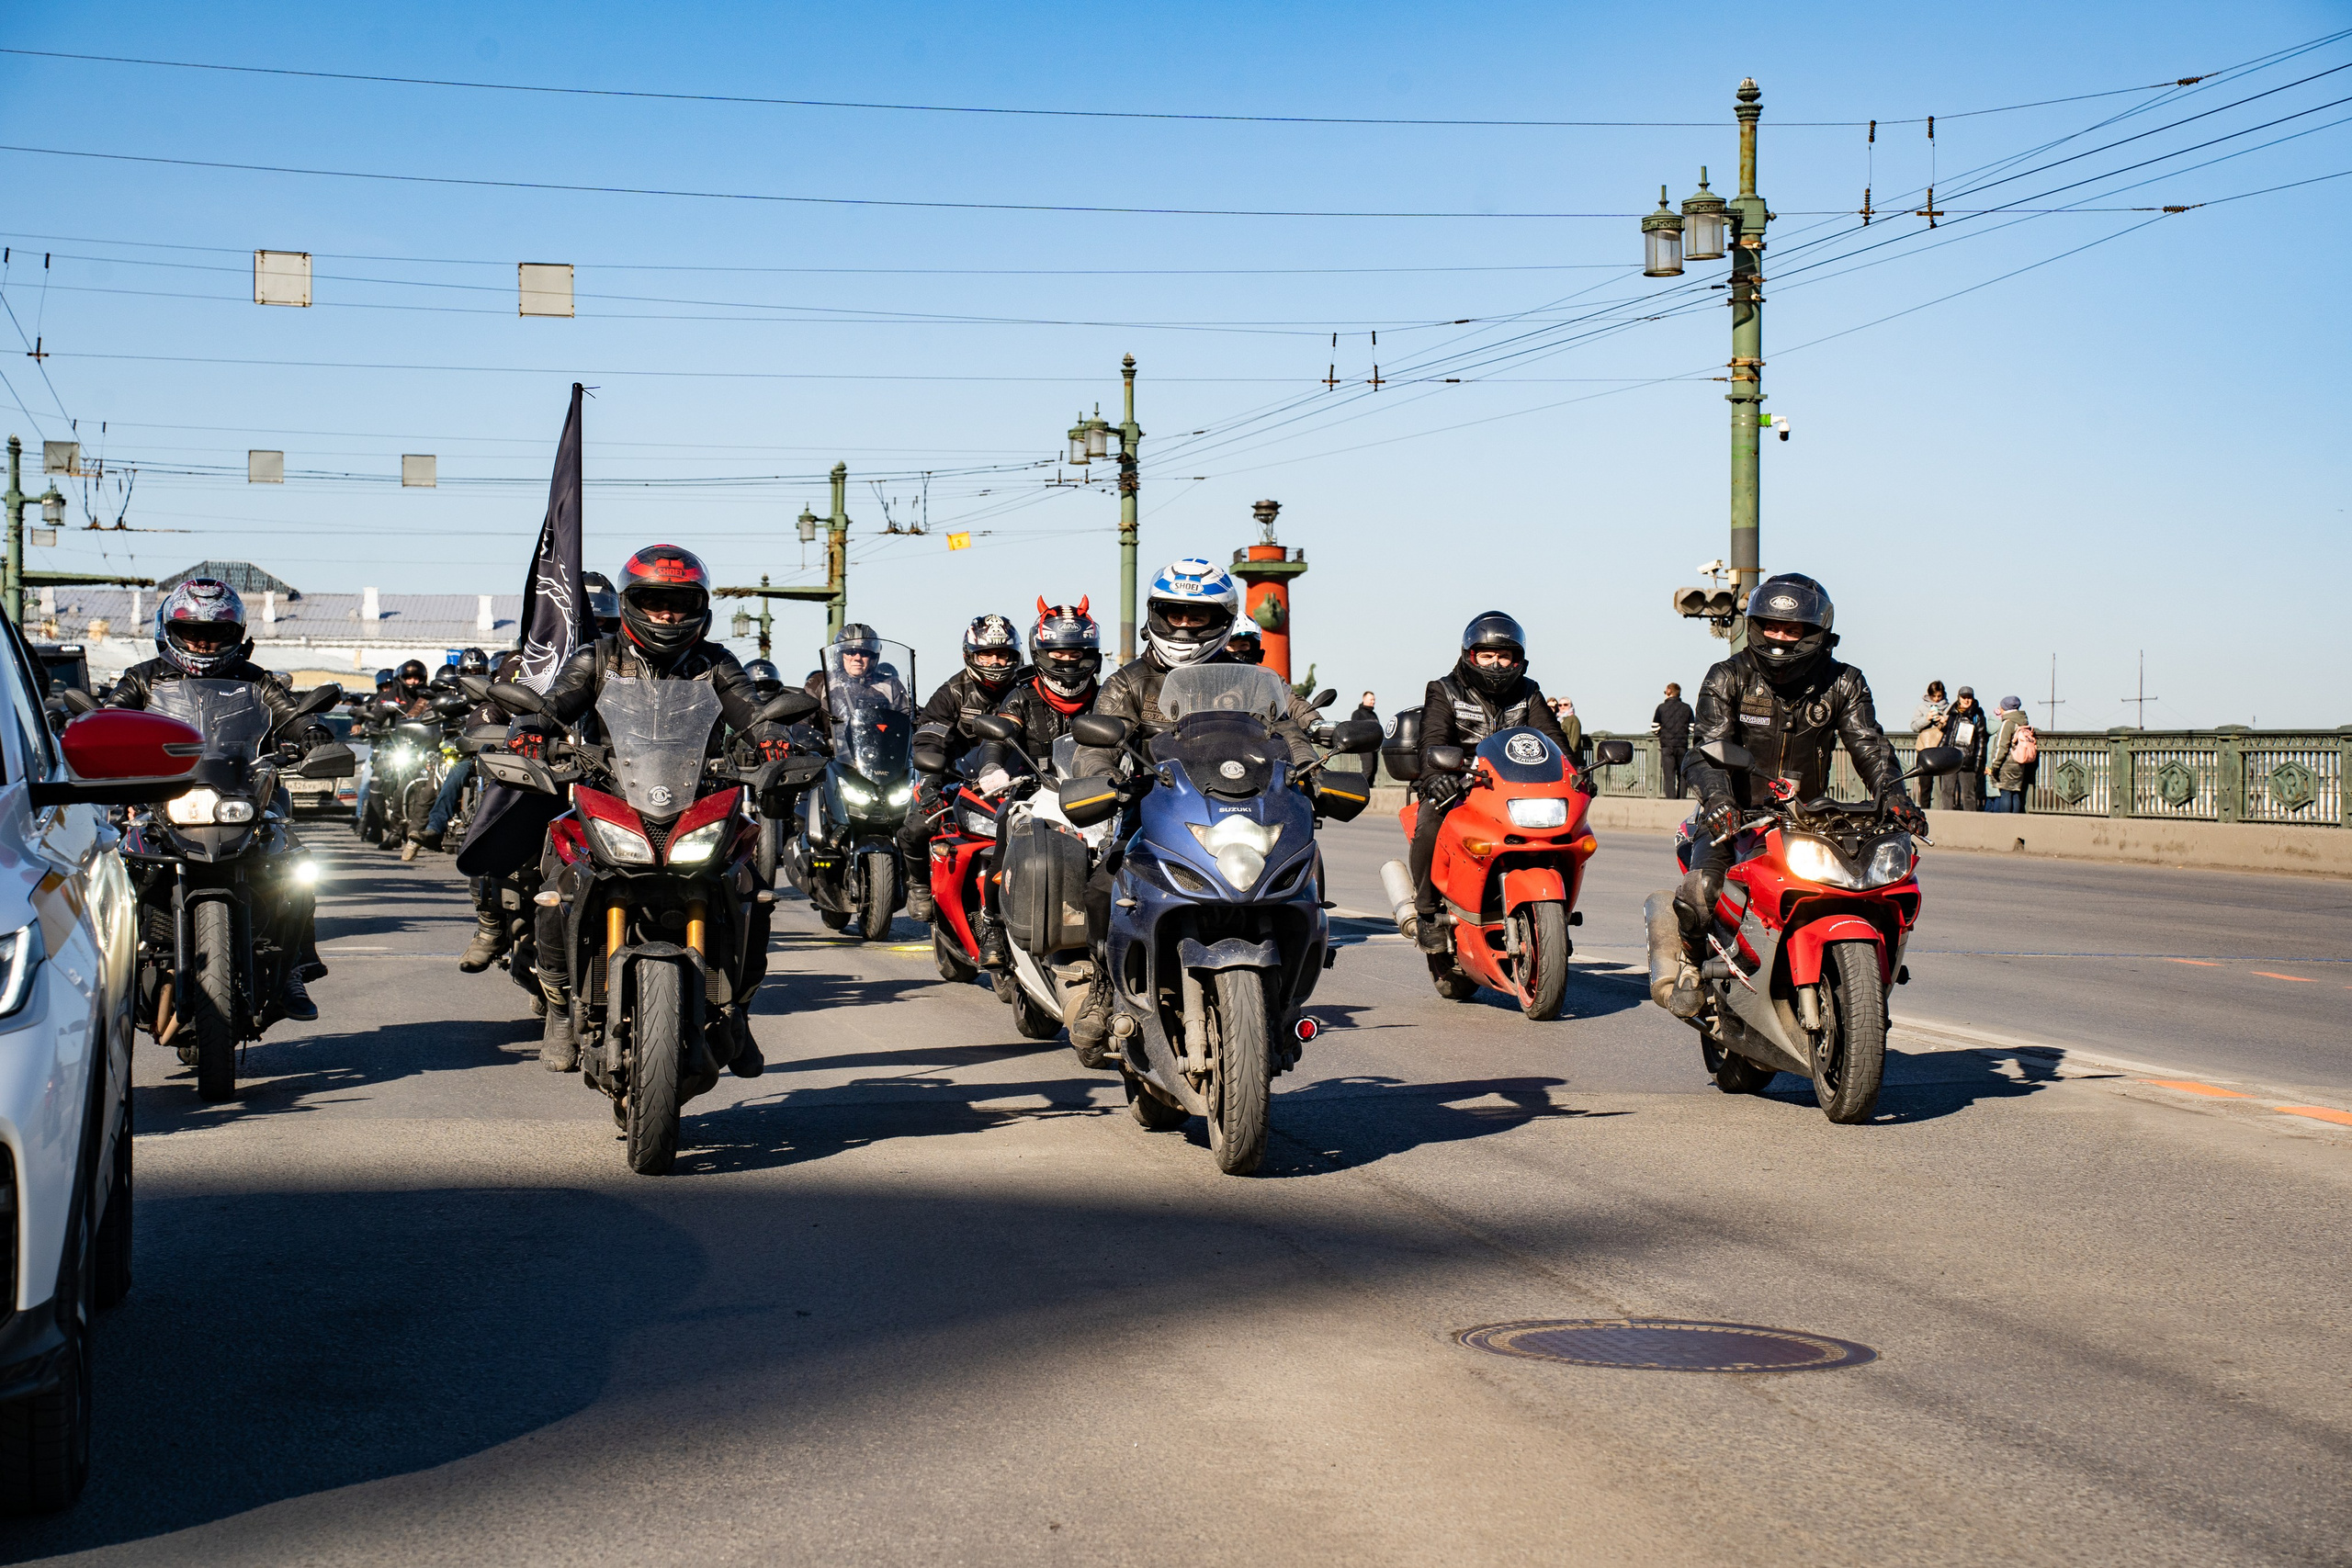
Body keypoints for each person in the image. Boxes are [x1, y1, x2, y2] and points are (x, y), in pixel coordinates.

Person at [507, 545, 791, 1073]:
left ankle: (739, 1012)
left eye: (680, 602)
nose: (667, 613)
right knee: (553, 884)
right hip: (609, 795)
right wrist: (531, 728)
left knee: (753, 888)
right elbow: (559, 701)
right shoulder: (598, 656)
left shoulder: (716, 662)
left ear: (699, 607)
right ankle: (559, 1007)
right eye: (655, 600)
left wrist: (772, 734)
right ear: (632, 601)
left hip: (697, 799)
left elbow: (750, 709)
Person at [106, 579, 327, 1021]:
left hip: (241, 794)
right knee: (117, 867)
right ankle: (115, 970)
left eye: (217, 633)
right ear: (170, 630)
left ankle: (292, 971)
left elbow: (290, 714)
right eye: (193, 632)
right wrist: (104, 735)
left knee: (297, 869)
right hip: (163, 796)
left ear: (236, 636)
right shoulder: (143, 678)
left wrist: (313, 734)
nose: (204, 643)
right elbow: (113, 718)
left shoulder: (256, 680)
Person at [1675, 574, 1921, 946]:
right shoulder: (1728, 676)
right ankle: (1691, 965)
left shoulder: (1844, 682)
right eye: (1771, 627)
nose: (1778, 639)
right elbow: (1707, 748)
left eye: (1790, 630)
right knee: (1705, 888)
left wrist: (1895, 796)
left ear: (1814, 633)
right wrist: (1719, 801)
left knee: (1882, 891)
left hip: (1811, 821)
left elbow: (1869, 745)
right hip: (1735, 817)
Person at [1408, 612, 1573, 953]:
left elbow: (1555, 740)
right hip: (1461, 786)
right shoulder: (1444, 690)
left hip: (1513, 791)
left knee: (1569, 833)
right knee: (1429, 822)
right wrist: (1437, 777)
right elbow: (1433, 739)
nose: (1495, 664)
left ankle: (1555, 917)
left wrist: (1577, 774)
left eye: (1503, 656)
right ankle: (1426, 912)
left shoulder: (1529, 693)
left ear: (1517, 660)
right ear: (1471, 656)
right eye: (1487, 655)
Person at [1076, 558, 1315, 779]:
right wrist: (1102, 776)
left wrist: (1308, 768)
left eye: (1196, 619)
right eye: (1175, 617)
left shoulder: (1248, 681)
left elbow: (1286, 734)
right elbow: (1096, 749)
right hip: (1152, 804)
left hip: (1243, 798)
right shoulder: (1128, 683)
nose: (1183, 627)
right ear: (1158, 616)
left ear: (1221, 622)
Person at [994, 598, 1102, 752]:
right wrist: (993, 768)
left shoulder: (1104, 698)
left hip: (1095, 775)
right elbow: (996, 742)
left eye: (1075, 655)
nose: (1067, 661)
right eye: (1058, 654)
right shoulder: (1021, 698)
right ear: (1041, 654)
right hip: (1033, 775)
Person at [1940, 687, 1988, 811]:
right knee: (1946, 791)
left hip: (1968, 760)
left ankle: (1971, 821)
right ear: (1959, 698)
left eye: (1969, 697)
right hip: (1950, 758)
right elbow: (1947, 735)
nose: (1966, 700)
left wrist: (1978, 761)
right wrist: (1942, 753)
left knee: (1969, 794)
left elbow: (1982, 740)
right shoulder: (1953, 713)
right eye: (1964, 697)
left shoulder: (1977, 716)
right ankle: (1946, 819)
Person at [1988, 695, 2032, 814]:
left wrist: (1995, 765)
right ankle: (2015, 822)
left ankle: (2006, 823)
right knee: (2015, 793)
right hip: (2019, 763)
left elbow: (2001, 746)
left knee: (2006, 793)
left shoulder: (2007, 723)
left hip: (2006, 764)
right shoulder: (2023, 722)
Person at [1909, 681, 1950, 809]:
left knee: (1943, 786)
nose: (1937, 699)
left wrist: (1943, 721)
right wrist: (1927, 719)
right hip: (1925, 749)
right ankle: (1925, 810)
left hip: (1941, 749)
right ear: (1929, 695)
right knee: (1925, 785)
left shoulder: (1948, 708)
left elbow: (1952, 729)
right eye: (1934, 696)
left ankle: (1942, 811)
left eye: (1939, 696)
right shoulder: (1921, 707)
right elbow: (1914, 726)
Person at [1653, 681, 1694, 799]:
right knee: (1682, 774)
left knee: (1669, 775)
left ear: (1669, 692)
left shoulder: (1661, 708)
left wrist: (1663, 735)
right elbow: (1692, 728)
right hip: (1682, 745)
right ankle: (1682, 798)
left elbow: (1654, 728)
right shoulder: (1687, 708)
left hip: (1667, 746)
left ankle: (1670, 799)